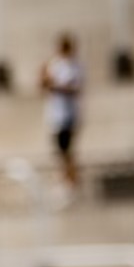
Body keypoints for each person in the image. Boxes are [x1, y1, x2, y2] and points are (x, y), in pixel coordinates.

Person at [40, 34, 83, 192]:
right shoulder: (55, 64)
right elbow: (44, 85)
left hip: (68, 115)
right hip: (56, 115)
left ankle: (71, 181)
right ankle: (66, 179)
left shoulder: (74, 66)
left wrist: (54, 84)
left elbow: (73, 88)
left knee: (67, 149)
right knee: (60, 150)